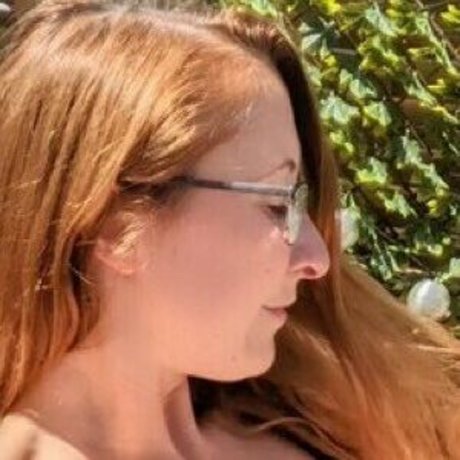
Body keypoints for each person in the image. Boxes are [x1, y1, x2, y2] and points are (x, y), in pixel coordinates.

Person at [0, 0, 459, 458]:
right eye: (277, 205)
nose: (316, 258)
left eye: (300, 201)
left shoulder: (322, 424)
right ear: (118, 229)